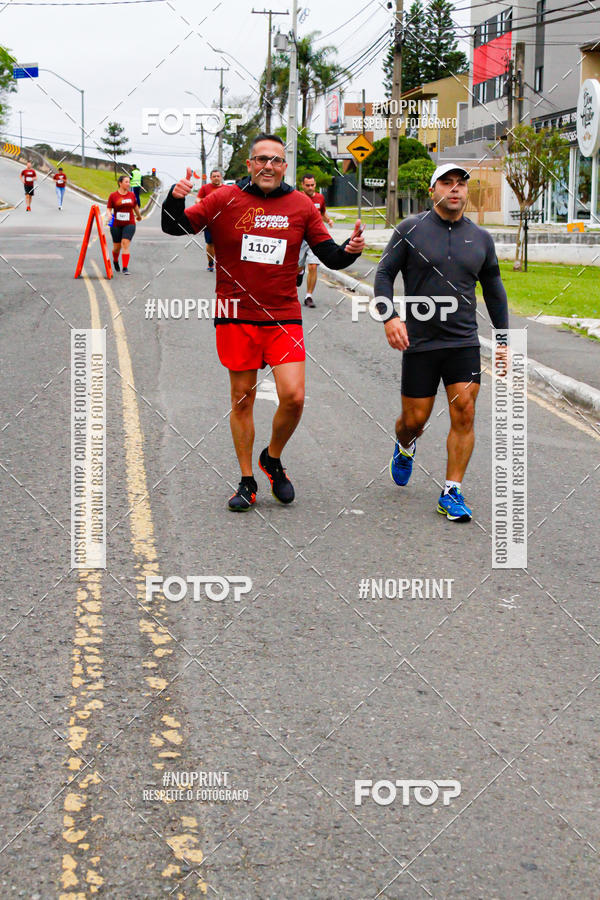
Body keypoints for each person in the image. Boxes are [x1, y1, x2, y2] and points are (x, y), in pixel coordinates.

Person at [161, 133, 365, 511]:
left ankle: (271, 457)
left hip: (283, 314)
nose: (268, 166)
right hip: (236, 315)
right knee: (243, 400)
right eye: (261, 159)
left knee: (294, 396)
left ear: (285, 166)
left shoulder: (302, 205)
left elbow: (330, 256)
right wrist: (174, 197)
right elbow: (175, 227)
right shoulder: (222, 199)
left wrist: (349, 251)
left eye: (276, 160)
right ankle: (246, 480)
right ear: (250, 164)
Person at [374, 163, 509, 523]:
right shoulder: (410, 229)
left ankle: (452, 491)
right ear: (433, 189)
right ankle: (405, 445)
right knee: (414, 419)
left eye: (460, 184)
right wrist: (389, 316)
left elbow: (494, 291)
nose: (455, 189)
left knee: (465, 409)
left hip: (463, 341)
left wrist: (503, 339)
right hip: (419, 340)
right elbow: (384, 273)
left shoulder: (481, 238)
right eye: (446, 183)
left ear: (467, 191)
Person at [297, 172, 334, 308]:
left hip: (315, 237)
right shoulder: (297, 198)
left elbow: (322, 212)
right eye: (307, 185)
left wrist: (328, 220)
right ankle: (300, 272)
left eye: (312, 185)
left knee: (313, 266)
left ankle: (308, 296)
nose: (310, 188)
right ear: (302, 185)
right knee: (298, 266)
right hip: (300, 237)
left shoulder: (320, 198)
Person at [105, 174, 141, 274]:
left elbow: (135, 207)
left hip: (129, 223)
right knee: (117, 247)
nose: (128, 184)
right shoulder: (113, 195)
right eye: (126, 182)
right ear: (120, 183)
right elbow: (109, 208)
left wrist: (139, 216)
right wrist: (109, 215)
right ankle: (115, 261)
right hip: (116, 224)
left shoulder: (132, 195)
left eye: (129, 182)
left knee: (125, 243)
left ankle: (125, 268)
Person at [197, 168, 224, 272]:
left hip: (224, 220)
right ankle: (211, 262)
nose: (216, 178)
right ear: (210, 178)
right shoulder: (205, 188)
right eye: (214, 176)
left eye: (218, 176)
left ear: (221, 177)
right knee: (210, 243)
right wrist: (205, 203)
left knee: (224, 243)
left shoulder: (227, 188)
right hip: (209, 221)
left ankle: (223, 264)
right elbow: (198, 200)